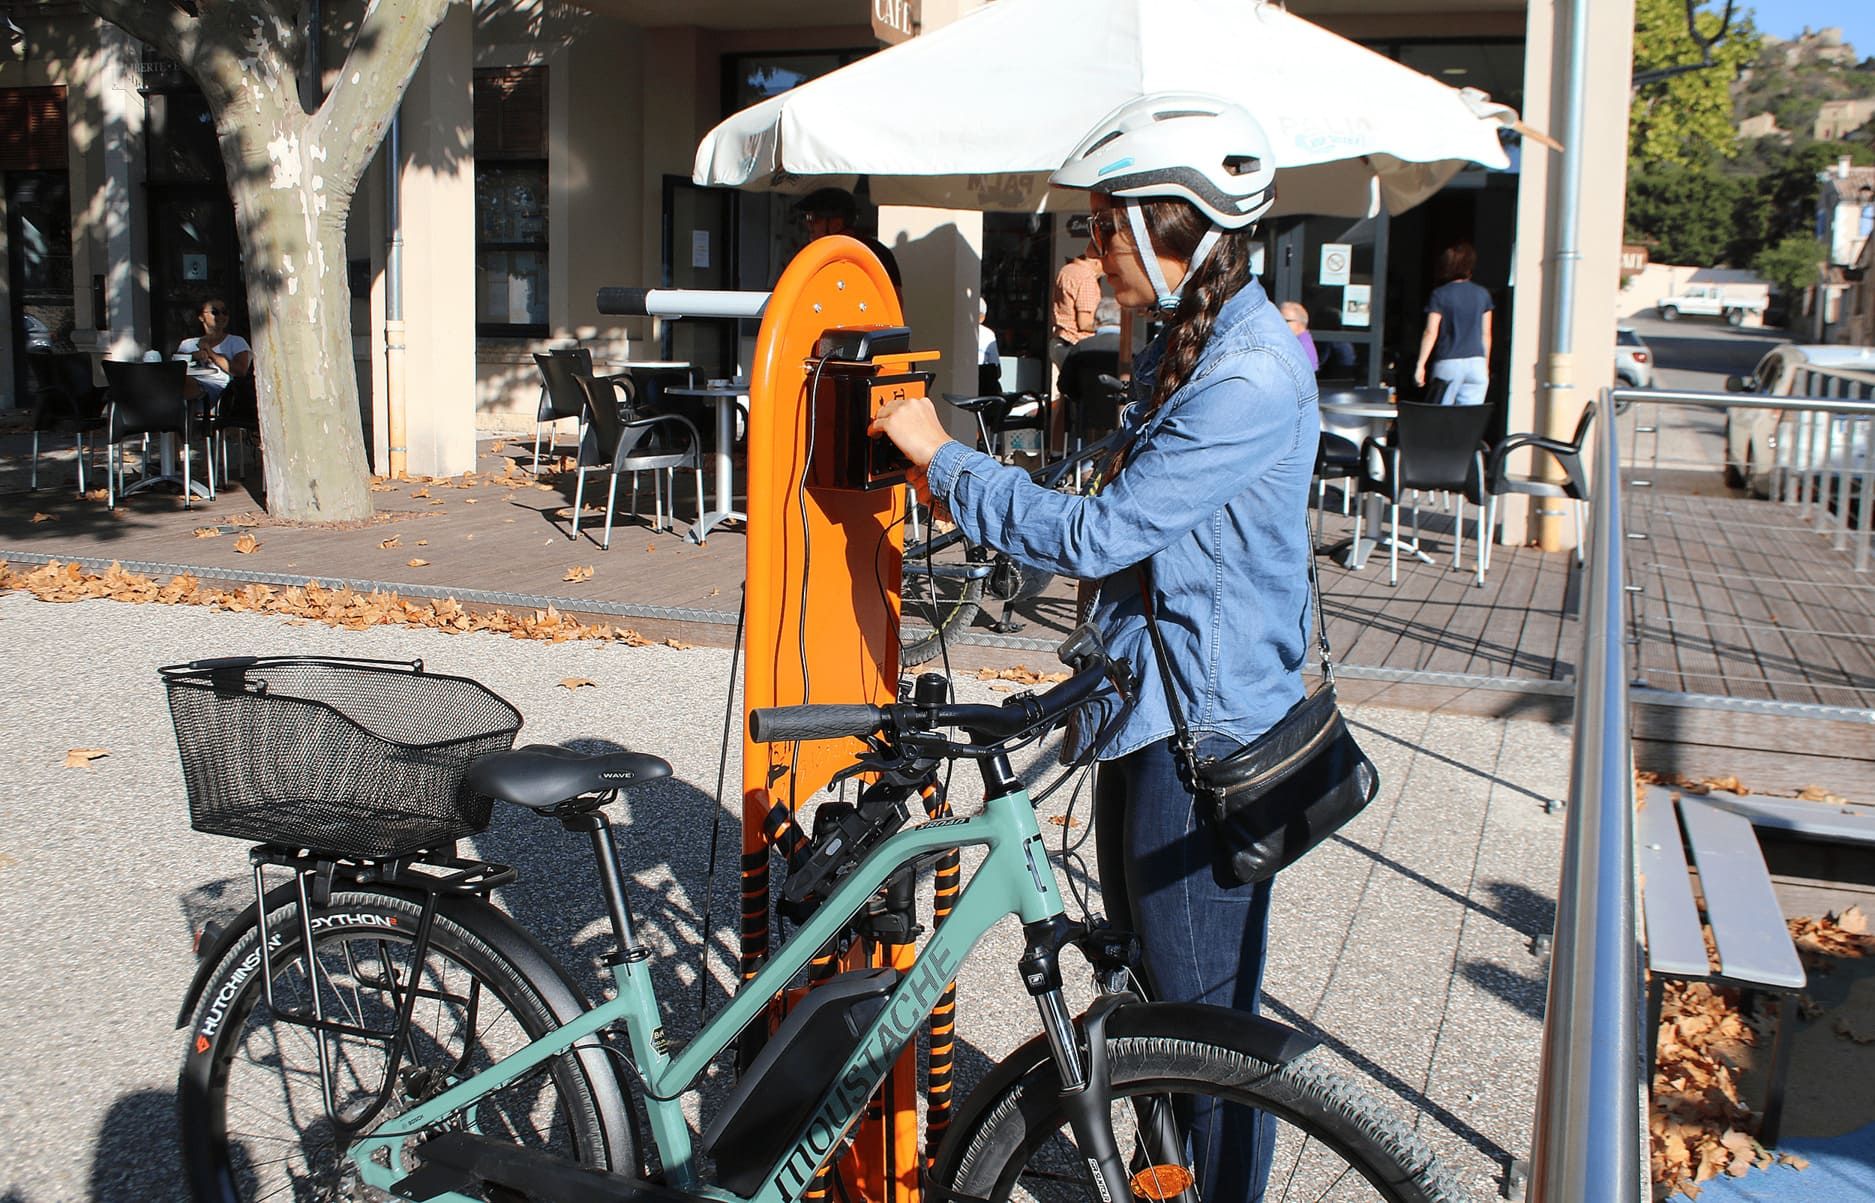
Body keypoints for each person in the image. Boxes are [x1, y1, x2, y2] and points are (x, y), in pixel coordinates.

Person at [871, 92, 1313, 1199]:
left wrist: (941, 461)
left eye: (1109, 226)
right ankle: (1167, 1177)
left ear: (1185, 228)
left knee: (1206, 1031)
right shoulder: (1194, 336)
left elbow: (1101, 532)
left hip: (1200, 735)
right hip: (1147, 709)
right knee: (1157, 990)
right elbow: (1118, 471)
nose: (1096, 246)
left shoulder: (1249, 372)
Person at [1413, 242, 1493, 404]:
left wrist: (1420, 364)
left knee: (1441, 418)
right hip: (1477, 363)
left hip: (1448, 363)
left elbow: (1431, 332)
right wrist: (1485, 365)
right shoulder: (1483, 294)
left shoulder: (1440, 295)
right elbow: (1486, 334)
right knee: (1469, 420)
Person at [791, 186, 902, 291]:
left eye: (813, 218)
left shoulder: (877, 254)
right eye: (806, 218)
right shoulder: (811, 255)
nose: (808, 224)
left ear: (837, 224)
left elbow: (894, 303)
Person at [175, 297, 252, 402]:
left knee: (180, 383)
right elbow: (175, 368)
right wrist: (194, 356)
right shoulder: (187, 344)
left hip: (220, 389)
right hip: (188, 385)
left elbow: (240, 371)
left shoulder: (236, 341)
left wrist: (210, 352)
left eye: (224, 312)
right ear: (201, 317)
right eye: (215, 312)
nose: (221, 316)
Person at [1049, 240, 1104, 366]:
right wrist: (1110, 326)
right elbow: (1084, 323)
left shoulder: (1066, 270)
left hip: (1060, 341)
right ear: (1097, 261)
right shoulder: (1087, 277)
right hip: (1076, 345)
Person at [1279, 301, 1320, 371]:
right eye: (1278, 319)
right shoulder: (1299, 341)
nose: (1279, 324)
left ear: (1300, 323)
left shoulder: (1301, 347)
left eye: (1285, 320)